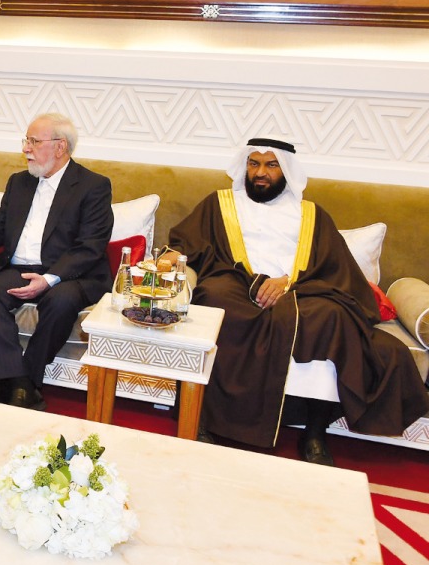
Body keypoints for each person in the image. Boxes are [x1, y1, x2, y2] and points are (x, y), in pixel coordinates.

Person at [165, 138, 429, 464]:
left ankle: (315, 432)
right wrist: (172, 255)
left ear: (286, 170)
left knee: (332, 317)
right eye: (254, 164)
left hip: (301, 291)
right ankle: (204, 419)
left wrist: (289, 282)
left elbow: (335, 268)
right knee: (214, 301)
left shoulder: (311, 215)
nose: (260, 173)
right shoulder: (219, 203)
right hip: (236, 286)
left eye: (271, 165)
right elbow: (188, 243)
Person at [0, 113, 113, 410]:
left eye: (34, 142)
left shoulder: (93, 186)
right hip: (22, 268)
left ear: (60, 146)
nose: (26, 148)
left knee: (61, 301)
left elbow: (90, 247)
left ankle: (28, 379)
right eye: (26, 141)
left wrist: (49, 280)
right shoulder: (20, 182)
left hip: (71, 274)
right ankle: (17, 381)